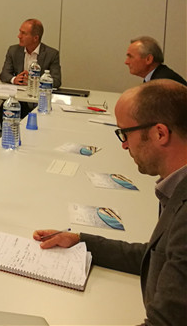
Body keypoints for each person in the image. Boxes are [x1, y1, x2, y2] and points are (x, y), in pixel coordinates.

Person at [34, 80, 187, 325]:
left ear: (160, 133)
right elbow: (155, 255)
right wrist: (81, 241)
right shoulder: (176, 185)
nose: (124, 145)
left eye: (125, 133)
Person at [0, 18, 62, 118]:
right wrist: (15, 79)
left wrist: (34, 81)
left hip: (41, 101)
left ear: (35, 38)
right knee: (5, 109)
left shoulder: (51, 54)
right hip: (19, 100)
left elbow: (57, 81)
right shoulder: (13, 50)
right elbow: (4, 74)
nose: (19, 36)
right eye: (20, 32)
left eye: (23, 33)